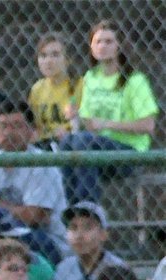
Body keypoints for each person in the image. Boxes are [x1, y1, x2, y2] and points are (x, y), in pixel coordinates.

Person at [58, 19, 159, 204]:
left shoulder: (135, 80)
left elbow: (148, 125)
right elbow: (90, 125)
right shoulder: (90, 78)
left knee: (83, 141)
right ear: (91, 47)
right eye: (98, 42)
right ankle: (71, 207)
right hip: (95, 147)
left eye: (109, 41)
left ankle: (87, 208)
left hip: (129, 152)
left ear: (119, 46)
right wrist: (76, 115)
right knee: (67, 142)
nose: (102, 46)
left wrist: (107, 124)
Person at [0, 99, 70, 262]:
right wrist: (15, 212)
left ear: (32, 131)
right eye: (3, 126)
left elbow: (35, 217)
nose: (9, 132)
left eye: (17, 126)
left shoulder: (42, 163)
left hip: (44, 239)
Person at [28, 32, 83, 148]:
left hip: (70, 142)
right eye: (43, 56)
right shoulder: (37, 89)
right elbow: (35, 126)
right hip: (43, 144)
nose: (48, 61)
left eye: (55, 55)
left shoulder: (81, 85)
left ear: (68, 60)